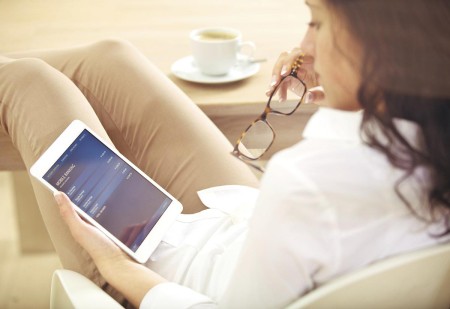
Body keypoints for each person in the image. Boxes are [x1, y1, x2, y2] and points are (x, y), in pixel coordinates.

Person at [1, 0, 449, 307]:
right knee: (109, 59)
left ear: (379, 46)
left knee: (29, 84)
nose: (306, 44)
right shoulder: (430, 138)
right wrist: (354, 91)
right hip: (244, 227)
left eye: (318, 22)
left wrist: (115, 263)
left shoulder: (307, 180)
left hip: (149, 281)